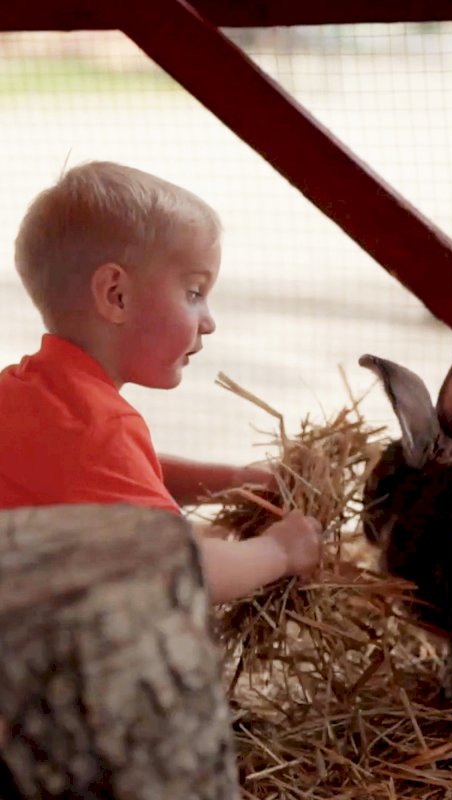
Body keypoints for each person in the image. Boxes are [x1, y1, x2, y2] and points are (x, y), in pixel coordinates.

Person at [0, 160, 322, 602]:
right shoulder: (97, 430)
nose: (208, 322)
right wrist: (278, 551)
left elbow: (129, 470)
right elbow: (184, 574)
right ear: (117, 295)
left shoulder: (27, 390)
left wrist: (234, 480)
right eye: (194, 293)